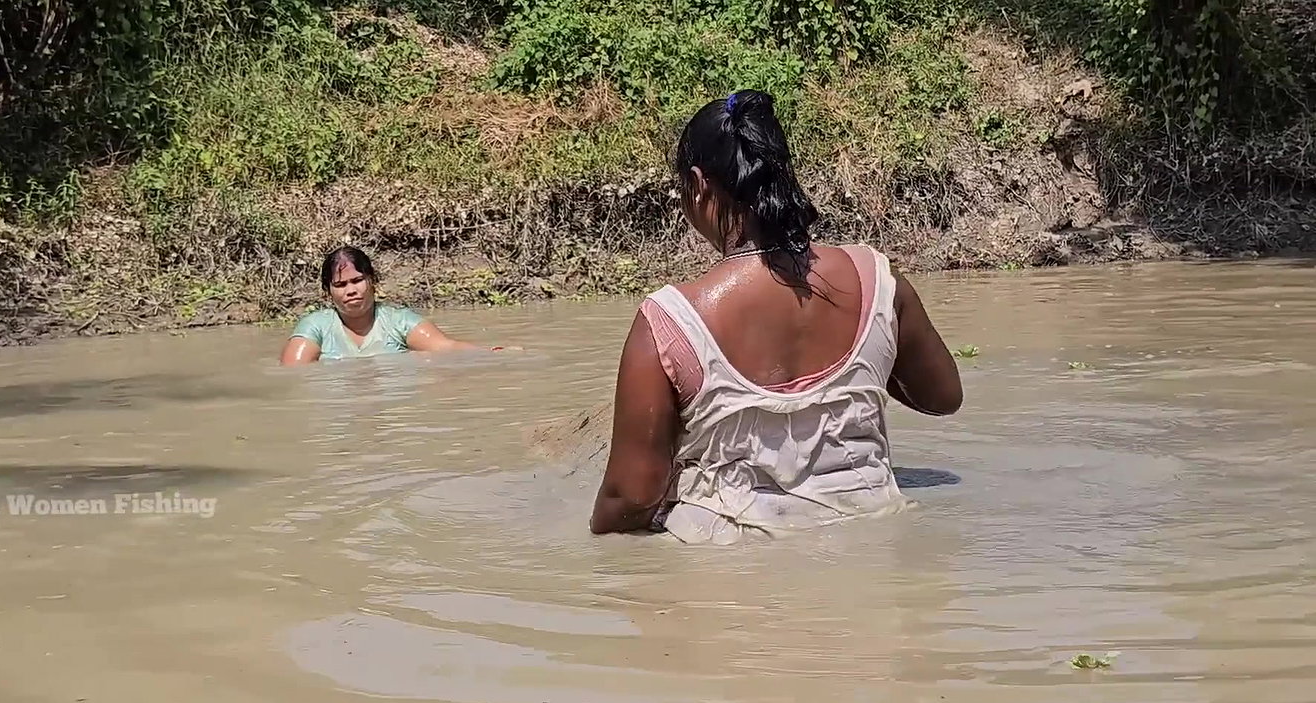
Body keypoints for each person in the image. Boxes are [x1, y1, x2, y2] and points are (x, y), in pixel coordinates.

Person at [588, 90, 963, 543]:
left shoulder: (669, 321)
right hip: (873, 540)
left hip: (726, 577)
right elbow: (942, 396)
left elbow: (631, 496)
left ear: (698, 184)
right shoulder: (879, 282)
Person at [280, 246, 499, 365]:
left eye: (357, 281)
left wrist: (495, 353)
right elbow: (293, 376)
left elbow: (446, 348)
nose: (351, 290)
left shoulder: (398, 321)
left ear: (372, 281)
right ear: (327, 292)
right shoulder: (315, 326)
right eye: (340, 284)